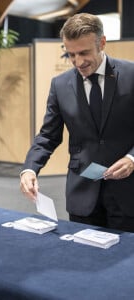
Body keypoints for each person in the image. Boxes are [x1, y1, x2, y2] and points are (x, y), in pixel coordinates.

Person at [20, 13, 134, 232]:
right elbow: (47, 136)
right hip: (82, 195)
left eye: (84, 53)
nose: (78, 62)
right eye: (71, 54)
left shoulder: (131, 75)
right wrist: (29, 170)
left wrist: (132, 158)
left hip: (128, 194)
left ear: (102, 43)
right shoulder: (60, 85)